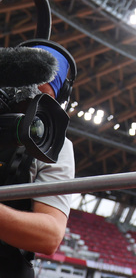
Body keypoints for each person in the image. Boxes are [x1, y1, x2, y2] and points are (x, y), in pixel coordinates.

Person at [0, 44, 75, 278]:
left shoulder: (55, 145)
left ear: (57, 98)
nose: (27, 100)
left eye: (39, 92)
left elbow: (49, 236)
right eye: (22, 89)